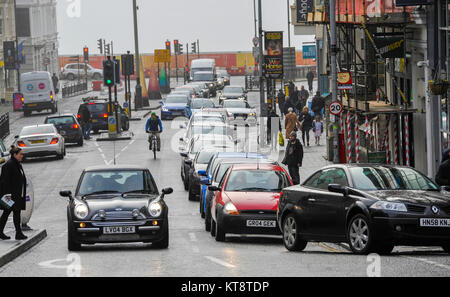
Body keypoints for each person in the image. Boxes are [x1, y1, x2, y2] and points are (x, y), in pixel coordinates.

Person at [0, 146, 28, 240]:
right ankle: (18, 233)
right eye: (20, 154)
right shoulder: (8, 165)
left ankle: (15, 233)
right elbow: (5, 182)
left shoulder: (17, 164)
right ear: (15, 154)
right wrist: (8, 195)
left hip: (17, 194)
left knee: (10, 213)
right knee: (13, 213)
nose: (22, 156)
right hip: (10, 196)